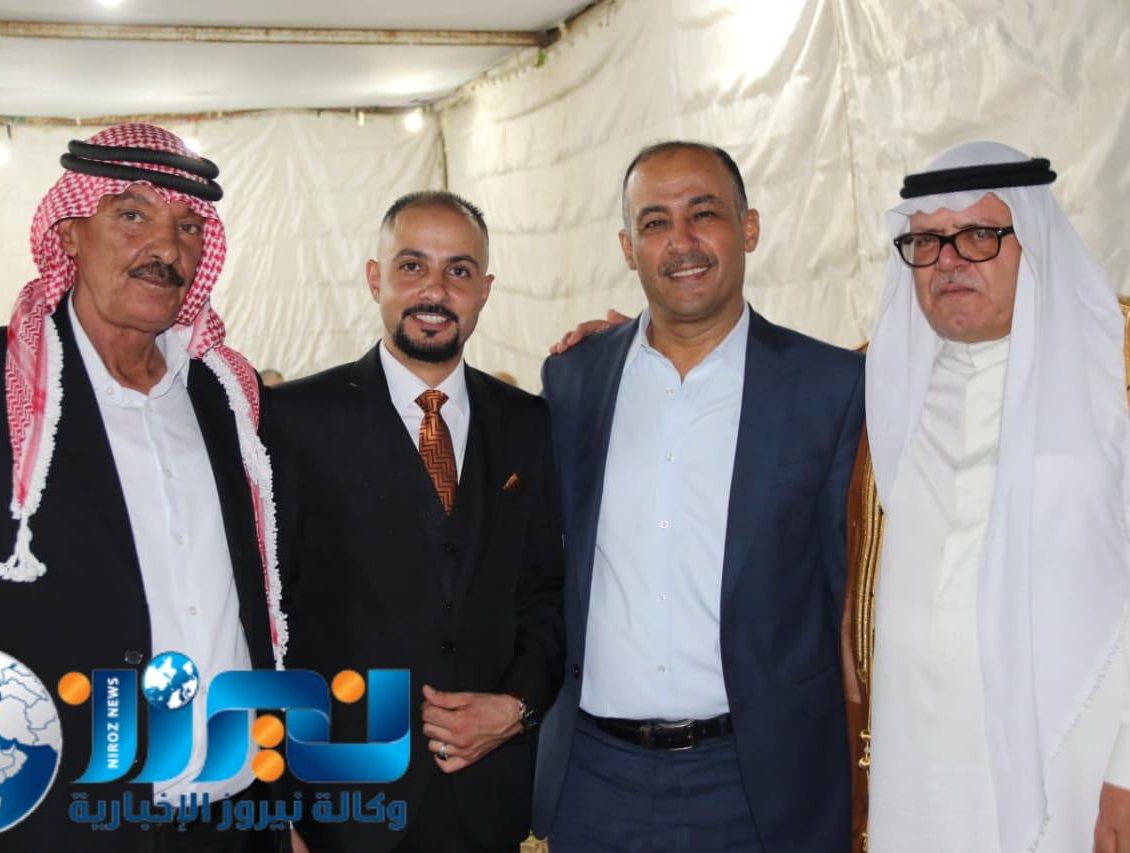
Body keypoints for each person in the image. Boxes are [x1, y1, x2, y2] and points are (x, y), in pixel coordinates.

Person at [0, 124, 286, 853]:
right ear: (70, 232)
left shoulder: (228, 398)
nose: (166, 247)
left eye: (188, 226)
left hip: (233, 820)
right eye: (132, 214)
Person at [532, 141, 864, 853]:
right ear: (628, 247)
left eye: (703, 213)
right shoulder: (574, 381)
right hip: (595, 780)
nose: (680, 241)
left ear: (749, 227)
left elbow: (849, 597)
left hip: (757, 783)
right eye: (654, 222)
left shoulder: (831, 388)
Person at [841, 141, 1130, 853]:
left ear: (1032, 242)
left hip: (1073, 767)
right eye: (927, 242)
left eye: (977, 235)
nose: (948, 261)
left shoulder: (1111, 385)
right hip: (920, 768)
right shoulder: (886, 390)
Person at [265, 190, 564, 853]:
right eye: (412, 266)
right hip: (343, 802)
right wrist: (276, 806)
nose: (435, 290)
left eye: (458, 270)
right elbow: (266, 617)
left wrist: (517, 706)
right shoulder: (295, 420)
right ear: (375, 278)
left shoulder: (527, 423)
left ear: (484, 290)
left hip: (489, 798)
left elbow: (546, 592)